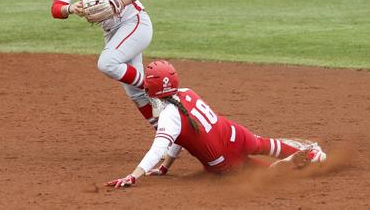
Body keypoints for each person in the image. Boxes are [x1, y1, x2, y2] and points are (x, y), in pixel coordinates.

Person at [106, 60, 327, 188]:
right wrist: (165, 167)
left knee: (265, 174)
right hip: (235, 134)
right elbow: (180, 135)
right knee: (264, 144)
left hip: (224, 161)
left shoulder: (168, 116)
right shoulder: (186, 93)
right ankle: (309, 153)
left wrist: (133, 175)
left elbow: (160, 146)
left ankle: (295, 164)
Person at [51, 0, 157, 129]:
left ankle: (156, 89)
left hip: (134, 23)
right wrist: (71, 8)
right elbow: (56, 9)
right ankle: (168, 136)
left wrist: (121, 1)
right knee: (134, 93)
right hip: (112, 32)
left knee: (107, 64)